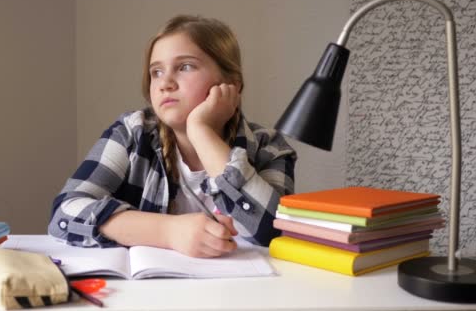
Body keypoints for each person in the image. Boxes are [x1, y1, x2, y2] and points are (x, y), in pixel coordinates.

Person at [49, 15, 296, 258]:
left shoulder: (269, 147)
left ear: (232, 83)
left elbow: (274, 231)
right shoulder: (131, 133)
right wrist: (168, 232)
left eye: (185, 67)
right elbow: (64, 212)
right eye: (156, 72)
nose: (165, 83)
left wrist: (201, 131)